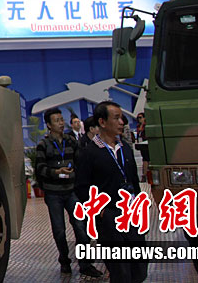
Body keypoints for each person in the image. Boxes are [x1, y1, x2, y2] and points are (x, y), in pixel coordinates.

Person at [75, 101, 147, 283]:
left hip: (131, 215)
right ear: (102, 122)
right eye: (116, 118)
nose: (122, 122)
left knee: (139, 268)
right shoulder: (89, 153)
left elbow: (133, 181)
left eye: (121, 118)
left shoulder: (125, 149)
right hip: (109, 217)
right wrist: (101, 213)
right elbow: (82, 187)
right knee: (120, 270)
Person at [36, 107, 104, 278]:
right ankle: (64, 260)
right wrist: (56, 172)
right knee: (59, 230)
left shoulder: (71, 141)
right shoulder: (43, 145)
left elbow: (80, 161)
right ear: (49, 125)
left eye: (61, 119)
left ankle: (85, 264)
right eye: (57, 120)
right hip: (53, 193)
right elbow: (40, 169)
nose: (61, 123)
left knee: (81, 226)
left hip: (72, 191)